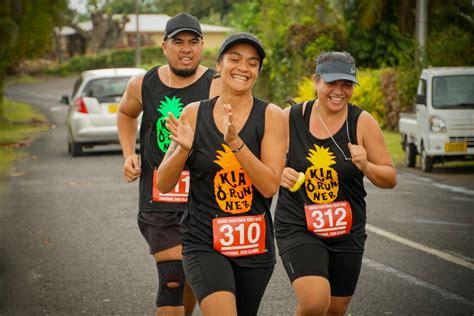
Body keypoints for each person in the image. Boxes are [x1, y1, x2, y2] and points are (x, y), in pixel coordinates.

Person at [156, 32, 287, 316]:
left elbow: (268, 187)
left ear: (258, 72)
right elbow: (164, 184)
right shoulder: (193, 114)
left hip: (254, 243)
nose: (243, 68)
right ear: (219, 64)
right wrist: (181, 150)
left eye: (252, 63)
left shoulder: (271, 116)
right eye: (235, 59)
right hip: (203, 240)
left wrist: (236, 144)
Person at [275, 51, 397, 316]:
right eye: (332, 83)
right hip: (298, 225)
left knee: (335, 309)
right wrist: (280, 173)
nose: (339, 91)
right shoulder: (290, 117)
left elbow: (389, 178)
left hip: (347, 230)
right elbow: (265, 163)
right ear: (316, 81)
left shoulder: (362, 122)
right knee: (314, 303)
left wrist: (366, 166)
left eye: (347, 84)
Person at [117, 13, 220, 316]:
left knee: (192, 278)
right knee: (173, 277)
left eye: (193, 42)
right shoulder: (143, 84)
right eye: (178, 42)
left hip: (203, 199)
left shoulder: (215, 84)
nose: (186, 49)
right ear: (164, 46)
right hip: (158, 200)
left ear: (202, 46)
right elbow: (125, 114)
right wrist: (128, 154)